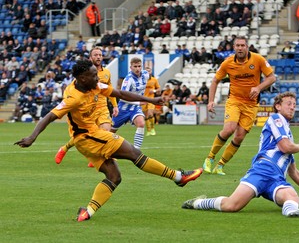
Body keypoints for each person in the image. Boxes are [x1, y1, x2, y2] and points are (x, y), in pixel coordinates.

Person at [15, 60, 203, 222]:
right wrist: (32, 136)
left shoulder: (94, 85)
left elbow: (121, 94)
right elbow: (49, 116)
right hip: (88, 137)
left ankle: (87, 212)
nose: (98, 78)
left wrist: (151, 100)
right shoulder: (73, 97)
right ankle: (179, 177)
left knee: (114, 177)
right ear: (82, 78)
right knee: (134, 153)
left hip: (88, 139)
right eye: (93, 75)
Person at [183, 92, 299, 217]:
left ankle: (293, 212)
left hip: (276, 178)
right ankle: (197, 203)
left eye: (294, 105)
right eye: (289, 103)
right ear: (278, 106)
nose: (292, 107)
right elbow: (285, 147)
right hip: (263, 170)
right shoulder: (276, 119)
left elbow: (293, 171)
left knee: (292, 196)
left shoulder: (287, 132)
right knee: (231, 206)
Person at [202, 36, 276, 175]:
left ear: (247, 47)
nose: (240, 48)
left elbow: (272, 78)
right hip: (234, 100)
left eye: (243, 45)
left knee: (239, 137)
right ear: (234, 47)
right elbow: (215, 81)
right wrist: (210, 101)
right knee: (229, 128)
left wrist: (258, 88)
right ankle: (210, 158)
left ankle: (220, 165)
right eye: (237, 45)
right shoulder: (227, 63)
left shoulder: (258, 59)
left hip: (251, 104)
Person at [55, 47, 119, 167]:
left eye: (100, 55)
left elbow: (110, 91)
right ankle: (64, 148)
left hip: (102, 107)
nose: (98, 57)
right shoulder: (85, 72)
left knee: (105, 130)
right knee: (84, 135)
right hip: (88, 108)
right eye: (95, 55)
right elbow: (74, 88)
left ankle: (98, 157)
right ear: (90, 57)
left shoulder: (107, 73)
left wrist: (115, 106)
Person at [143, 66, 161, 136]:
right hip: (143, 100)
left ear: (151, 72)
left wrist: (154, 90)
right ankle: (148, 130)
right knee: (146, 116)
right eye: (146, 71)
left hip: (151, 99)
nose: (148, 72)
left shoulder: (154, 80)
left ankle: (153, 128)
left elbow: (159, 89)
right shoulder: (141, 80)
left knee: (150, 114)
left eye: (149, 71)